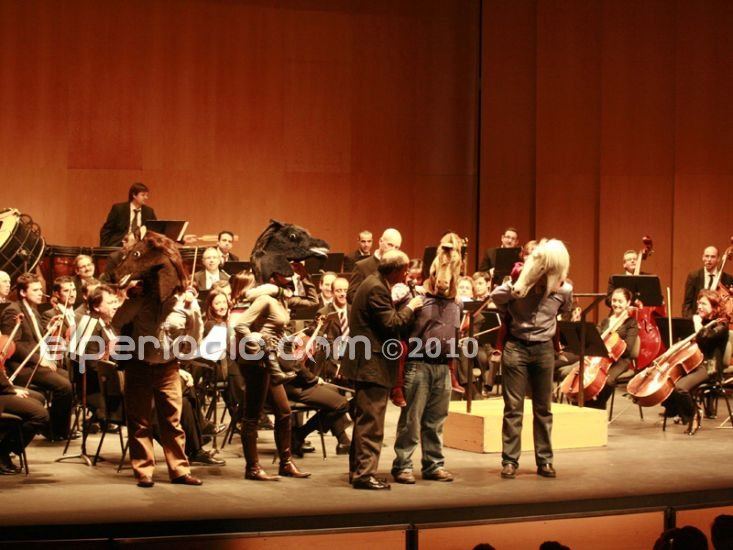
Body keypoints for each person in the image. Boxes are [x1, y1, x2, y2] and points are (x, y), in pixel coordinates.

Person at [490, 239, 572, 479]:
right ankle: (509, 461)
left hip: (544, 349)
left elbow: (565, 309)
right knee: (513, 408)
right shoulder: (520, 282)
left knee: (543, 408)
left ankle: (545, 461)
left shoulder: (563, 290)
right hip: (516, 346)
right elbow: (496, 296)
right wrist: (516, 285)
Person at [343, 250, 423, 490]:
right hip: (372, 365)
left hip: (366, 363)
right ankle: (365, 475)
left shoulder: (374, 283)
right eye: (405, 270)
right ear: (396, 270)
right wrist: (411, 307)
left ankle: (358, 471)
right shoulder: (377, 288)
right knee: (372, 423)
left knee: (364, 421)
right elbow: (391, 323)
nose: (407, 274)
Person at [231, 264, 317, 481]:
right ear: (275, 277)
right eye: (287, 274)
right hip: (256, 361)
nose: (292, 277)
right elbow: (240, 325)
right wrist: (256, 340)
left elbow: (312, 302)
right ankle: (252, 467)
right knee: (252, 415)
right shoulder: (265, 299)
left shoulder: (281, 299)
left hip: (270, 361)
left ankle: (286, 463)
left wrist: (305, 276)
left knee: (284, 411)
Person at [391, 234, 461, 484]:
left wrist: (452, 372)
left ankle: (433, 464)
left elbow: (455, 337)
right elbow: (400, 334)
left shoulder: (457, 303)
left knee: (436, 421)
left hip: (442, 367)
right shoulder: (417, 298)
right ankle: (403, 465)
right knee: (411, 420)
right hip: (418, 364)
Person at [0, 273, 74, 441]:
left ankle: (54, 427)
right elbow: (14, 345)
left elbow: (36, 338)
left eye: (40, 289)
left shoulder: (33, 310)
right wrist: (40, 360)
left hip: (36, 362)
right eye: (35, 290)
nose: (41, 293)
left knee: (68, 377)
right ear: (23, 292)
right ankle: (55, 430)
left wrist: (49, 327)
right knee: (64, 386)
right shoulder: (13, 311)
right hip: (22, 366)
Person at [664, 289, 730, 432]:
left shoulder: (721, 324)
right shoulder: (701, 321)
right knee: (668, 382)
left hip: (710, 366)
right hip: (693, 363)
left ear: (714, 307)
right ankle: (681, 410)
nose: (699, 306)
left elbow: (705, 337)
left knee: (681, 388)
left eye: (703, 304)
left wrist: (697, 324)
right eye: (698, 303)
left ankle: (693, 415)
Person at [584, 288, 639, 410]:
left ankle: (598, 408)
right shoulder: (606, 321)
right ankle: (586, 406)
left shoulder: (631, 323)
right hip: (601, 358)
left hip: (621, 360)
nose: (616, 304)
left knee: (607, 381)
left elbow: (628, 349)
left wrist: (613, 349)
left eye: (620, 301)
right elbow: (594, 338)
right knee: (587, 377)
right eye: (614, 300)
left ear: (628, 303)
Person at [347, 228, 402, 303]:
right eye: (390, 245)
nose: (393, 250)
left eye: (396, 247)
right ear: (380, 241)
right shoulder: (361, 266)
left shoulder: (397, 267)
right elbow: (351, 296)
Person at [99, 182, 157, 247]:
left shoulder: (149, 211)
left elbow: (154, 231)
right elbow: (107, 229)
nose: (146, 197)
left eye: (146, 195)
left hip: (141, 246)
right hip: (120, 245)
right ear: (134, 195)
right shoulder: (119, 209)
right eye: (143, 195)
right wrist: (104, 248)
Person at [682, 246, 733, 318]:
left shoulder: (728, 279)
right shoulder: (694, 276)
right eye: (707, 256)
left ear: (718, 259)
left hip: (718, 320)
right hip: (697, 319)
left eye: (712, 257)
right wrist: (691, 320)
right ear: (703, 257)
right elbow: (687, 303)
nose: (709, 259)